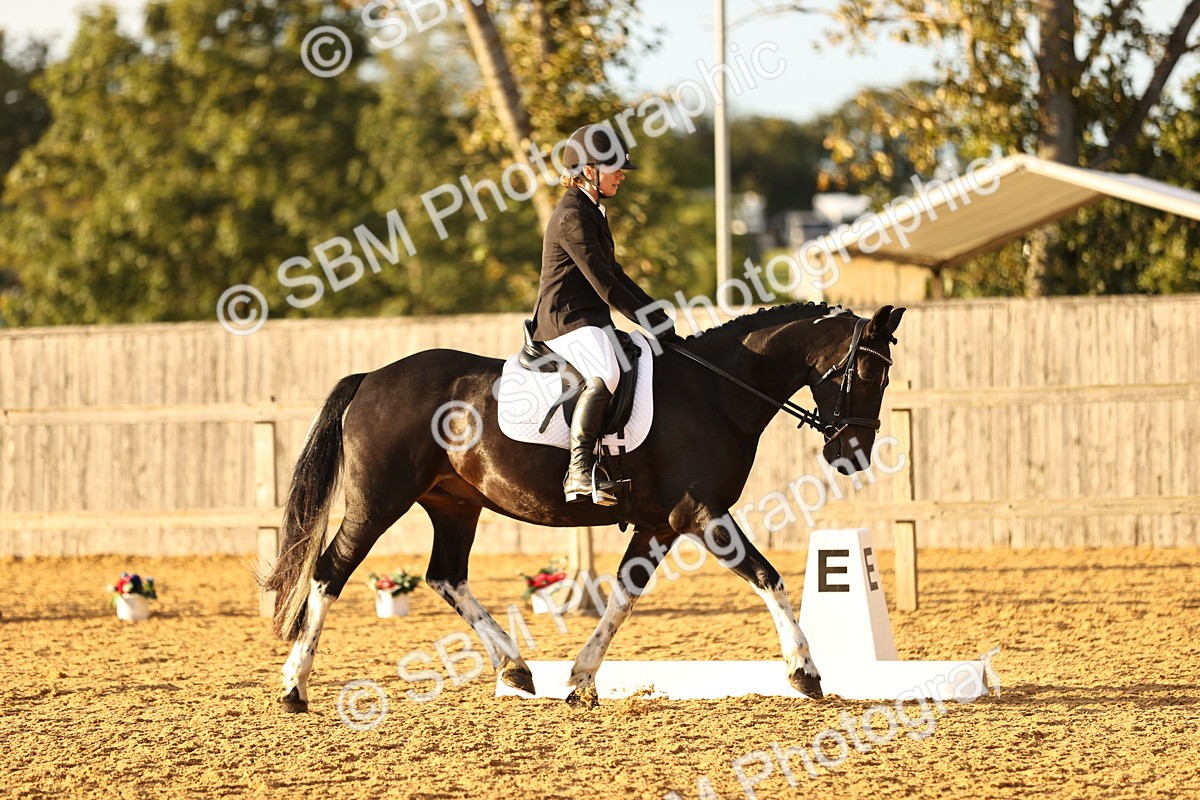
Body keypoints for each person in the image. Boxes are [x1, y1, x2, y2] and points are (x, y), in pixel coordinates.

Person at [530, 124, 681, 505]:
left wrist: (655, 313)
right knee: (607, 372)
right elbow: (605, 286)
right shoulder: (573, 216)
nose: (621, 176)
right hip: (565, 320)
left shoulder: (592, 210)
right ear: (588, 170)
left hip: (589, 319)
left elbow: (616, 274)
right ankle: (579, 471)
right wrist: (649, 321)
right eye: (614, 168)